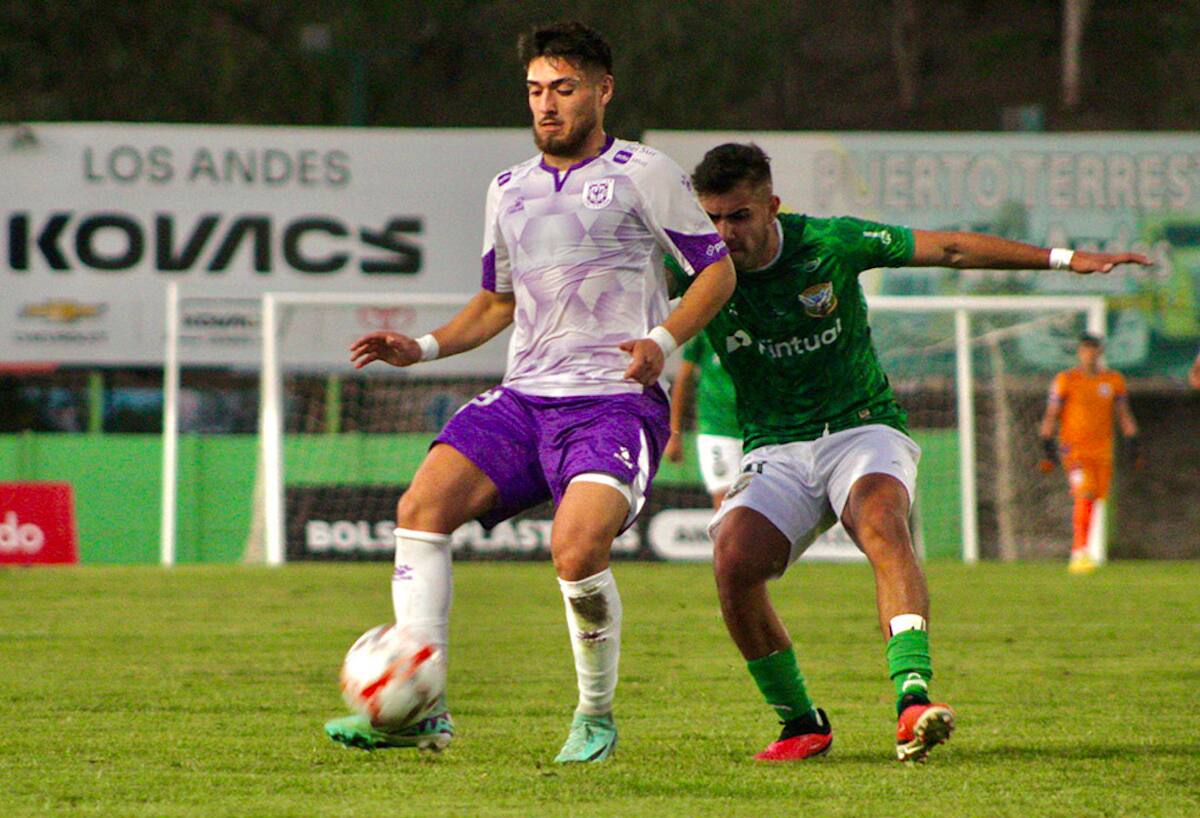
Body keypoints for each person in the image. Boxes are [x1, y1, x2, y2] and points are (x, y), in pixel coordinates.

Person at [324, 22, 735, 762]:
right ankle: (425, 708)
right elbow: (496, 305)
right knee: (420, 509)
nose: (546, 106)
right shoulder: (508, 188)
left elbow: (717, 272)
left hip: (612, 401)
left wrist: (663, 342)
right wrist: (417, 348)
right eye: (536, 91)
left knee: (575, 551)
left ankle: (596, 717)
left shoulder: (646, 173)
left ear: (603, 92)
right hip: (525, 398)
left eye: (564, 89)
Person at [666, 143, 1151, 763]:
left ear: (772, 208)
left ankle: (912, 699)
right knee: (732, 561)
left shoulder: (831, 243)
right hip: (776, 446)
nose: (725, 233)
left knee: (881, 523)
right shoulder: (695, 268)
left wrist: (1064, 259)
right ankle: (800, 723)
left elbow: (948, 247)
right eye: (712, 219)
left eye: (738, 216)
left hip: (862, 427)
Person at [1038, 334, 1141, 574]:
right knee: (1084, 493)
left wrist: (1134, 443)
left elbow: (1123, 414)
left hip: (1102, 451)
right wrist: (1046, 445)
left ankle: (1083, 550)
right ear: (1079, 352)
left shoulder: (1113, 380)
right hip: (1073, 450)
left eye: (1094, 349)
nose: (1090, 354)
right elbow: (1052, 414)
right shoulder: (1066, 379)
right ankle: (1079, 553)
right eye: (1086, 349)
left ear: (1100, 352)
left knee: (1093, 498)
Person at [665, 332, 741, 507]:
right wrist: (674, 434)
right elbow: (683, 380)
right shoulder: (706, 328)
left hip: (762, 429)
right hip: (717, 428)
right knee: (726, 504)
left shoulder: (762, 322)